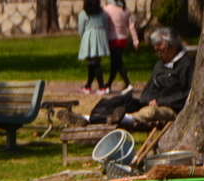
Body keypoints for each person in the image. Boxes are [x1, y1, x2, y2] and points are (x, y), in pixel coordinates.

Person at [61, 28, 194, 128]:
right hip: (149, 103)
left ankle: (121, 119)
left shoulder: (186, 64)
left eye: (163, 50)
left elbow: (188, 94)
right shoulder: (160, 65)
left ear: (175, 46)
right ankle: (87, 118)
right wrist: (148, 99)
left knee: (149, 112)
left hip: (171, 109)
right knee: (120, 101)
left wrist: (160, 101)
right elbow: (147, 90)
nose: (159, 54)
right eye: (156, 51)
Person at [103, 0, 139, 94]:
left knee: (118, 63)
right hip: (123, 39)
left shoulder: (107, 9)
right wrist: (135, 39)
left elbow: (104, 24)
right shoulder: (125, 9)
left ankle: (128, 84)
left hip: (112, 39)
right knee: (115, 63)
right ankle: (108, 84)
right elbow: (131, 26)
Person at [77, 0, 110, 94]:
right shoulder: (102, 12)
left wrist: (83, 38)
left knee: (94, 63)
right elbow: (105, 25)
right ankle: (88, 86)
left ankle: (101, 86)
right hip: (100, 37)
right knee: (93, 63)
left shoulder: (84, 13)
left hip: (89, 37)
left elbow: (81, 27)